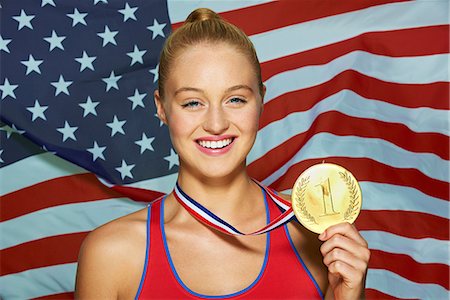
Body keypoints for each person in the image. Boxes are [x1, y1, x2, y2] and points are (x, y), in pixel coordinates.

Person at [75, 8, 370, 299]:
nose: (216, 124)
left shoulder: (314, 237)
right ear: (162, 107)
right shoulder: (112, 254)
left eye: (235, 99)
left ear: (261, 100)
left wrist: (350, 297)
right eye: (192, 103)